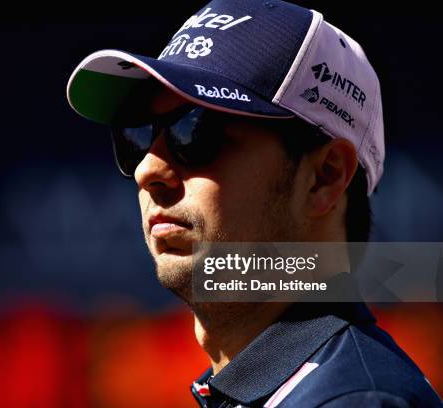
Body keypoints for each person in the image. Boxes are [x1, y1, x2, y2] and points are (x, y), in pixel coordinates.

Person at [66, 0, 441, 406]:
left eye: (195, 132)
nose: (147, 169)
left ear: (324, 177)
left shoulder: (355, 400)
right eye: (137, 134)